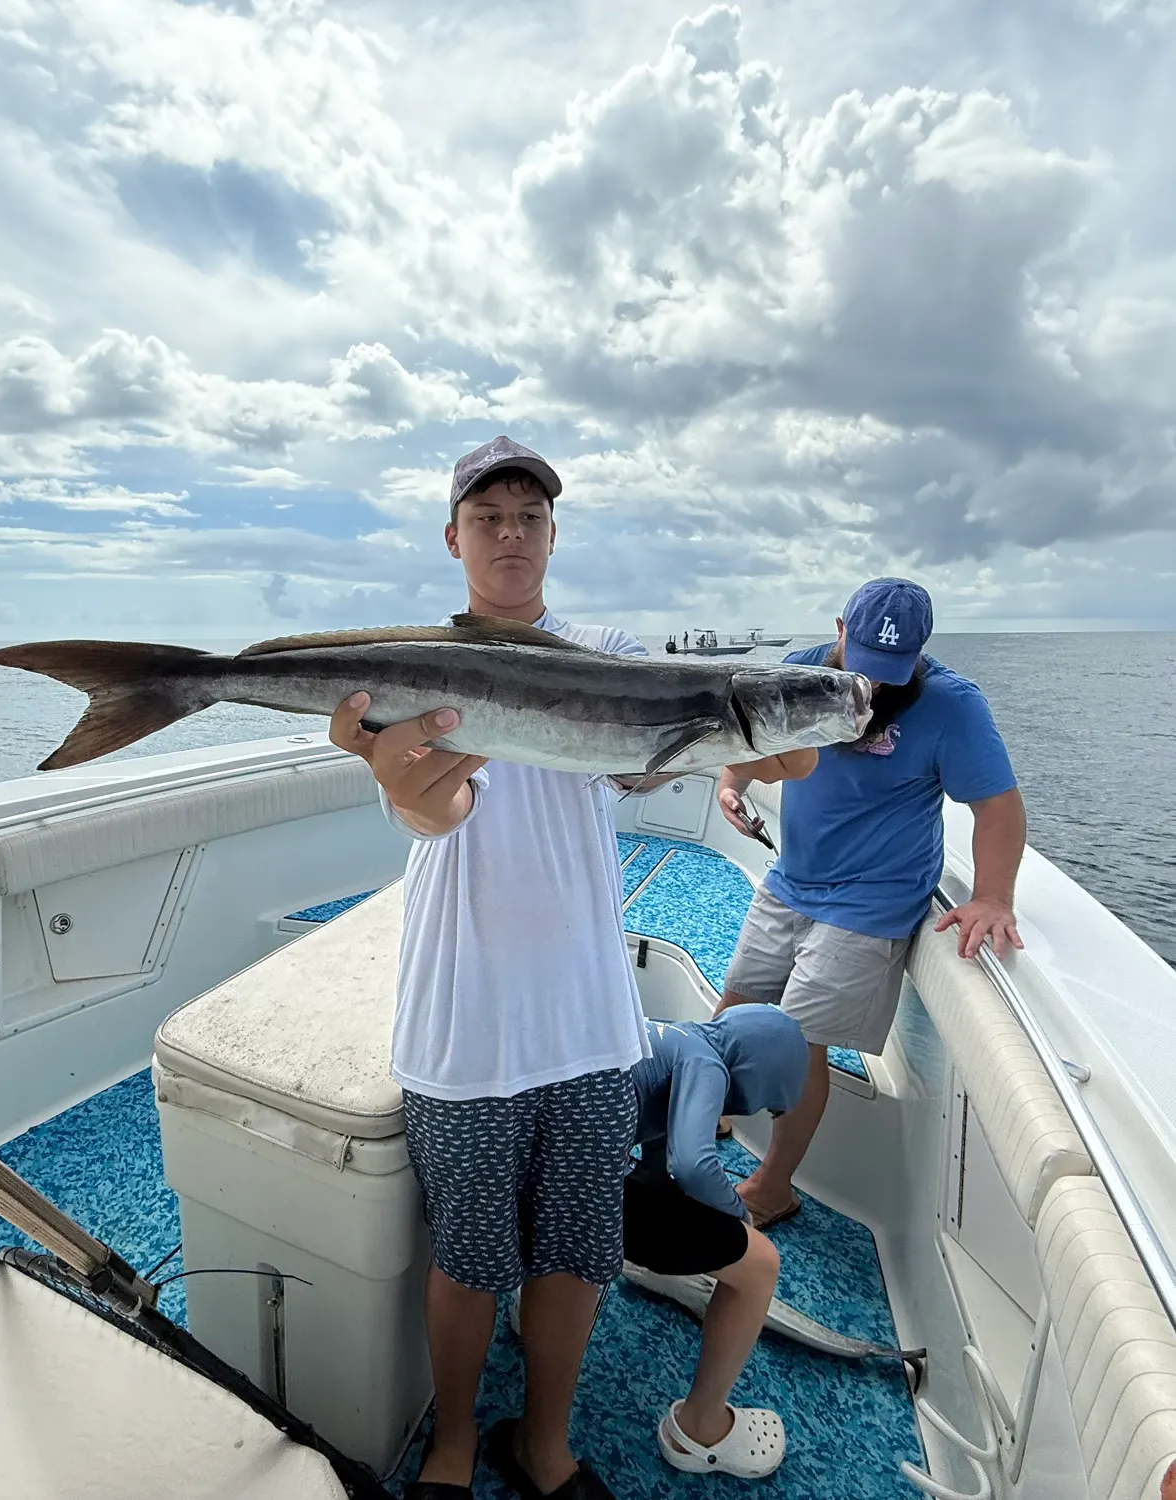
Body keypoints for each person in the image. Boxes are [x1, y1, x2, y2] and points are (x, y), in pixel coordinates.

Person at [327, 436, 811, 1500]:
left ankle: (543, 1444)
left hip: (592, 1026)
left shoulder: (609, 657)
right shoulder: (413, 672)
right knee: (468, 1261)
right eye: (488, 515)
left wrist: (756, 744)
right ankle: (455, 1442)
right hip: (464, 1026)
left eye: (530, 516)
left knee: (577, 1253)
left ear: (553, 534)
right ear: (453, 537)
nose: (510, 532)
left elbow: (651, 761)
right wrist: (410, 790)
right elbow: (438, 806)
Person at [715, 578, 1025, 1229]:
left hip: (871, 900)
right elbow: (752, 736)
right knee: (735, 1008)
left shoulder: (952, 706)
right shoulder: (799, 672)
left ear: (921, 653)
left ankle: (774, 1188)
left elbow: (997, 805)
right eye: (864, 669)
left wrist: (995, 895)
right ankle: (711, 1111)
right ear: (839, 631)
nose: (875, 689)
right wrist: (730, 781)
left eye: (893, 673)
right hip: (792, 878)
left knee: (799, 1043)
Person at [623, 1009, 809, 1479]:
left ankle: (540, 1296)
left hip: (531, 1153)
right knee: (761, 1262)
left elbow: (658, 1140)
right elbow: (693, 1164)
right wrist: (738, 1216)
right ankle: (700, 1429)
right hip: (575, 1189)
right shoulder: (707, 1062)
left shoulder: (672, 1034)